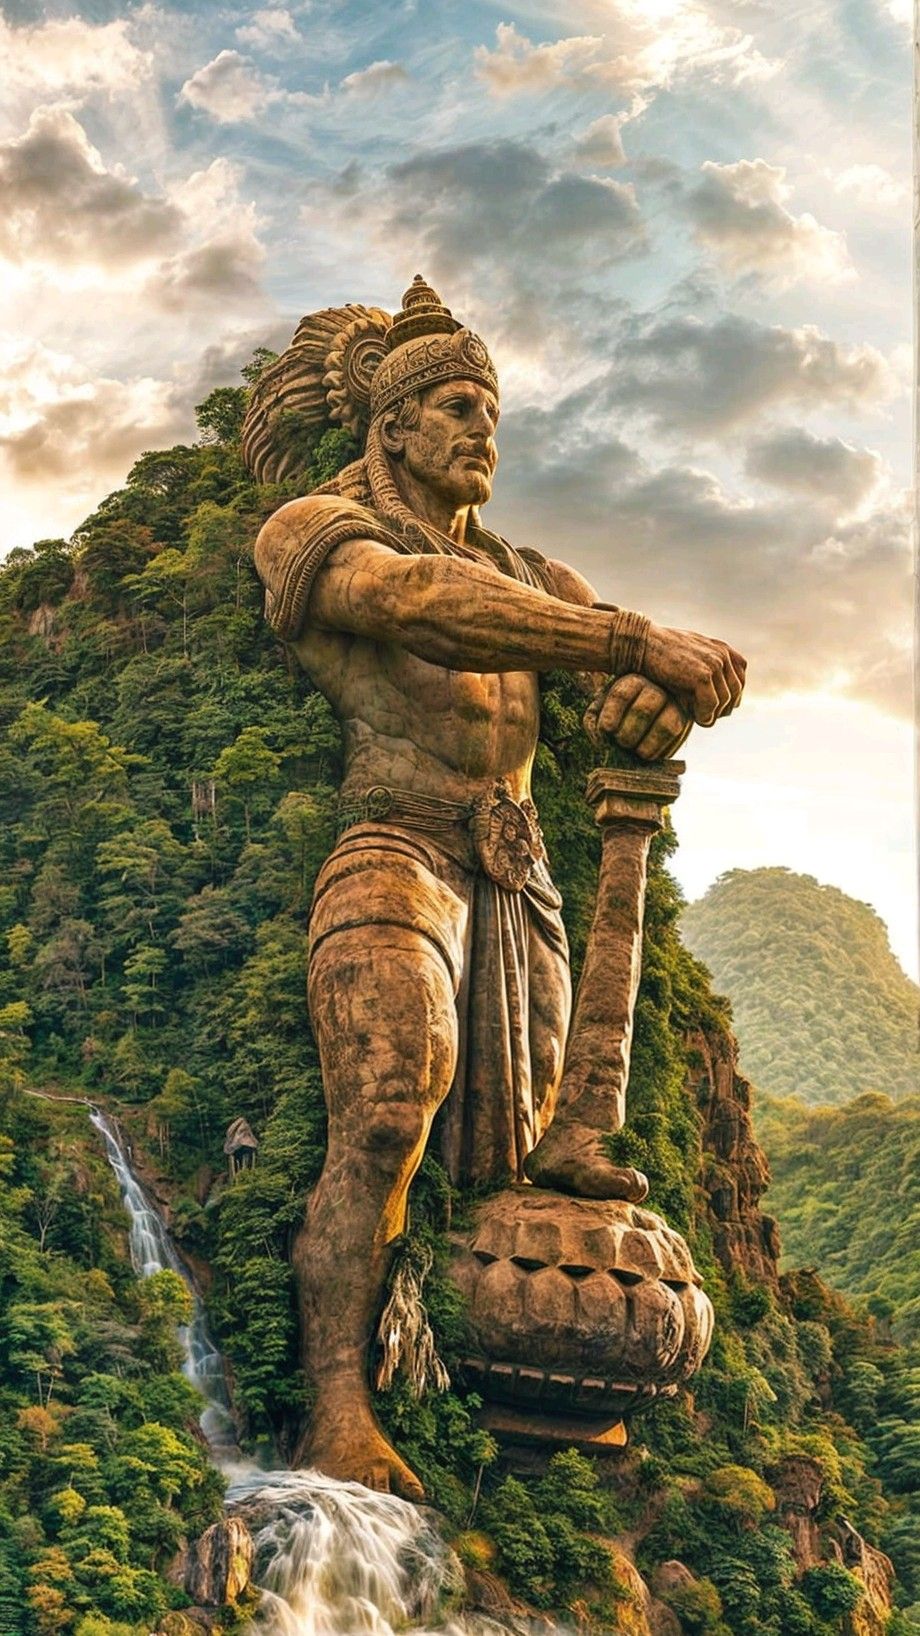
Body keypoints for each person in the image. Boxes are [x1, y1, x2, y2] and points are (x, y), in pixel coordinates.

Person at [248, 277, 745, 1496]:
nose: (483, 431)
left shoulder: (534, 575)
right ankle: (334, 1403)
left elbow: (648, 667)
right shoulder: (313, 529)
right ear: (394, 425)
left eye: (493, 411)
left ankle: (479, 1405)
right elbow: (423, 604)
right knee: (381, 1106)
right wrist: (632, 648)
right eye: (457, 406)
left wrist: (671, 687)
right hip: (398, 846)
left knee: (538, 1159)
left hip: (517, 883)